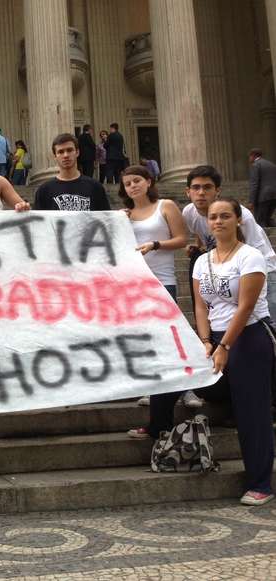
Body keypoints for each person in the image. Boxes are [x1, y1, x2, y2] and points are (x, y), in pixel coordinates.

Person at [188, 198, 273, 504]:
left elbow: (246, 305)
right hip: (217, 335)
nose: (219, 221)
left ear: (238, 220)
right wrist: (205, 339)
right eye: (213, 217)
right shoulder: (202, 261)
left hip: (248, 335)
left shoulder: (250, 257)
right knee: (204, 387)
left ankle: (261, 482)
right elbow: (199, 304)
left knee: (253, 413)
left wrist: (224, 345)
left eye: (225, 216)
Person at [117, 165, 202, 408]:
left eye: (137, 181)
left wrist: (154, 244)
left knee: (173, 336)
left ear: (149, 181)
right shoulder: (125, 215)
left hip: (163, 281)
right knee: (146, 338)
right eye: (128, 183)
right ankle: (154, 387)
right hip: (135, 283)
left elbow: (180, 239)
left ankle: (188, 388)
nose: (132, 186)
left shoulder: (165, 205)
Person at [182, 165, 276, 320]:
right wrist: (198, 245)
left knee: (268, 320)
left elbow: (254, 252)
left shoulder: (241, 216)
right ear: (188, 192)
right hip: (228, 272)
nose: (201, 193)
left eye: (207, 187)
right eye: (196, 187)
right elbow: (200, 230)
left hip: (263, 269)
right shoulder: (188, 212)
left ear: (217, 191)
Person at [33, 133, 111, 211]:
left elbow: (107, 219)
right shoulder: (44, 191)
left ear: (77, 152)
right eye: (60, 152)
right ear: (55, 156)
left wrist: (120, 216)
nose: (66, 155)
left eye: (69, 150)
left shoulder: (95, 187)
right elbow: (37, 222)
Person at [248, 148, 276, 227]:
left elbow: (254, 184)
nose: (249, 159)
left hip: (263, 197)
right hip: (274, 196)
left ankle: (263, 238)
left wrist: (251, 201)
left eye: (249, 157)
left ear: (253, 156)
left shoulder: (256, 165)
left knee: (260, 220)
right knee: (267, 219)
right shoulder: (272, 164)